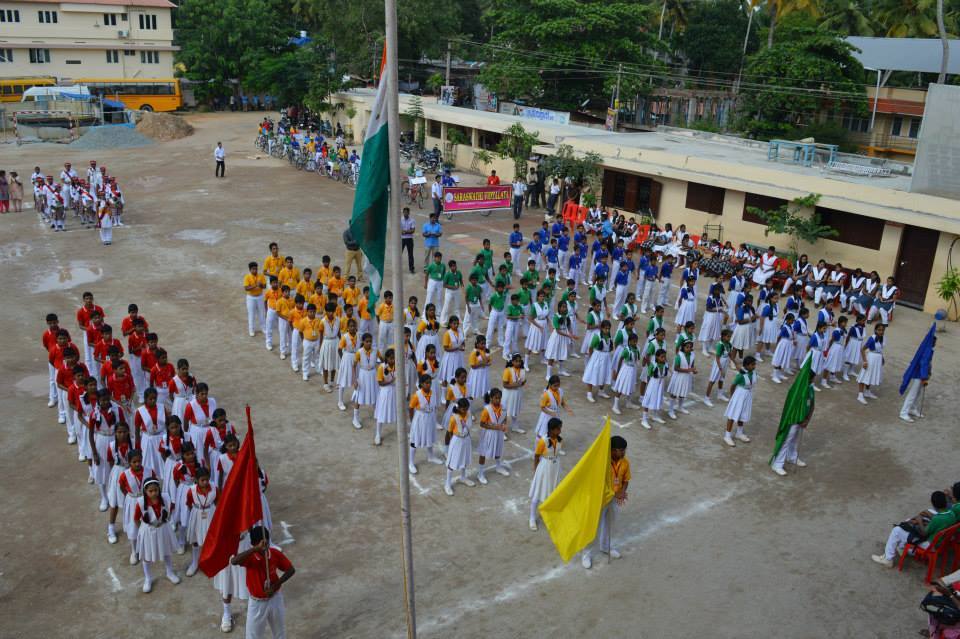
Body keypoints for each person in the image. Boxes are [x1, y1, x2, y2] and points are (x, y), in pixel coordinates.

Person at [231, 525, 295, 639]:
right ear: (253, 544)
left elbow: (291, 570)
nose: (264, 547)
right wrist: (254, 549)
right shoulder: (250, 557)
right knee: (253, 636)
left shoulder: (274, 553)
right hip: (257, 603)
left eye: (266, 543)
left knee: (280, 633)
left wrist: (276, 585)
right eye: (261, 544)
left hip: (275, 598)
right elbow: (234, 561)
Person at [871, 492, 956, 568]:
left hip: (930, 544)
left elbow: (924, 533)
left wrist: (919, 521)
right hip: (941, 542)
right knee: (912, 521)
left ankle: (888, 559)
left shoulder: (937, 519)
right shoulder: (951, 513)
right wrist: (927, 514)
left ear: (933, 504)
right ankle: (901, 547)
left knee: (896, 530)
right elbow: (940, 519)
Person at [582, 435, 630, 569]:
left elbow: (626, 480)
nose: (624, 453)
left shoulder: (625, 463)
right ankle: (586, 554)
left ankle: (605, 546)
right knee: (594, 527)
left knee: (610, 523)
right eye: (622, 450)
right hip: (600, 500)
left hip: (614, 500)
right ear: (613, 450)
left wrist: (622, 492)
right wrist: (617, 493)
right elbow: (600, 485)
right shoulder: (602, 464)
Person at [529, 417, 563, 531]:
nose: (560, 431)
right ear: (552, 429)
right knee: (538, 492)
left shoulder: (559, 440)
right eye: (558, 429)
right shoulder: (543, 441)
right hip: (544, 467)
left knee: (551, 491)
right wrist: (535, 470)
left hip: (555, 467)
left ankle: (547, 514)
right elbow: (536, 456)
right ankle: (532, 518)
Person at [723, 355, 757, 447]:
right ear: (746, 365)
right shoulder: (740, 376)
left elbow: (740, 368)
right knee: (732, 414)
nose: (754, 366)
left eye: (754, 364)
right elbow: (732, 386)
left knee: (742, 414)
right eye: (752, 365)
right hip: (739, 395)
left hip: (748, 396)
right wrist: (732, 397)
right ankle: (727, 435)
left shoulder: (753, 372)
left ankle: (739, 433)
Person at [901, 335, 935, 423]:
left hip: (923, 375)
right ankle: (903, 412)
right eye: (934, 342)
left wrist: (928, 373)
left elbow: (928, 364)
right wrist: (924, 377)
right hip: (919, 375)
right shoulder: (927, 350)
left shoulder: (929, 350)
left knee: (918, 393)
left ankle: (912, 409)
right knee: (913, 394)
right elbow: (923, 363)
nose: (935, 343)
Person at [857, 323, 885, 405]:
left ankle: (867, 391)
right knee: (864, 376)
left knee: (871, 375)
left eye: (882, 330)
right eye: (879, 330)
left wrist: (882, 358)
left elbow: (880, 349)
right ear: (875, 330)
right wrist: (865, 361)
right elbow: (862, 349)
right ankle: (860, 395)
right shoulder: (871, 339)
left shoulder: (883, 338)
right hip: (871, 359)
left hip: (877, 359)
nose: (881, 332)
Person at [400, 207, 416, 273]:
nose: (405, 213)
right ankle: (398, 267)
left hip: (409, 239)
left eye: (407, 212)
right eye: (404, 212)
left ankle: (411, 268)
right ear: (403, 212)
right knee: (399, 254)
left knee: (410, 254)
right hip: (402, 239)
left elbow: (413, 230)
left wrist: (405, 232)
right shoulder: (400, 220)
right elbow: (399, 229)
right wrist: (407, 231)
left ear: (409, 213)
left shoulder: (412, 220)